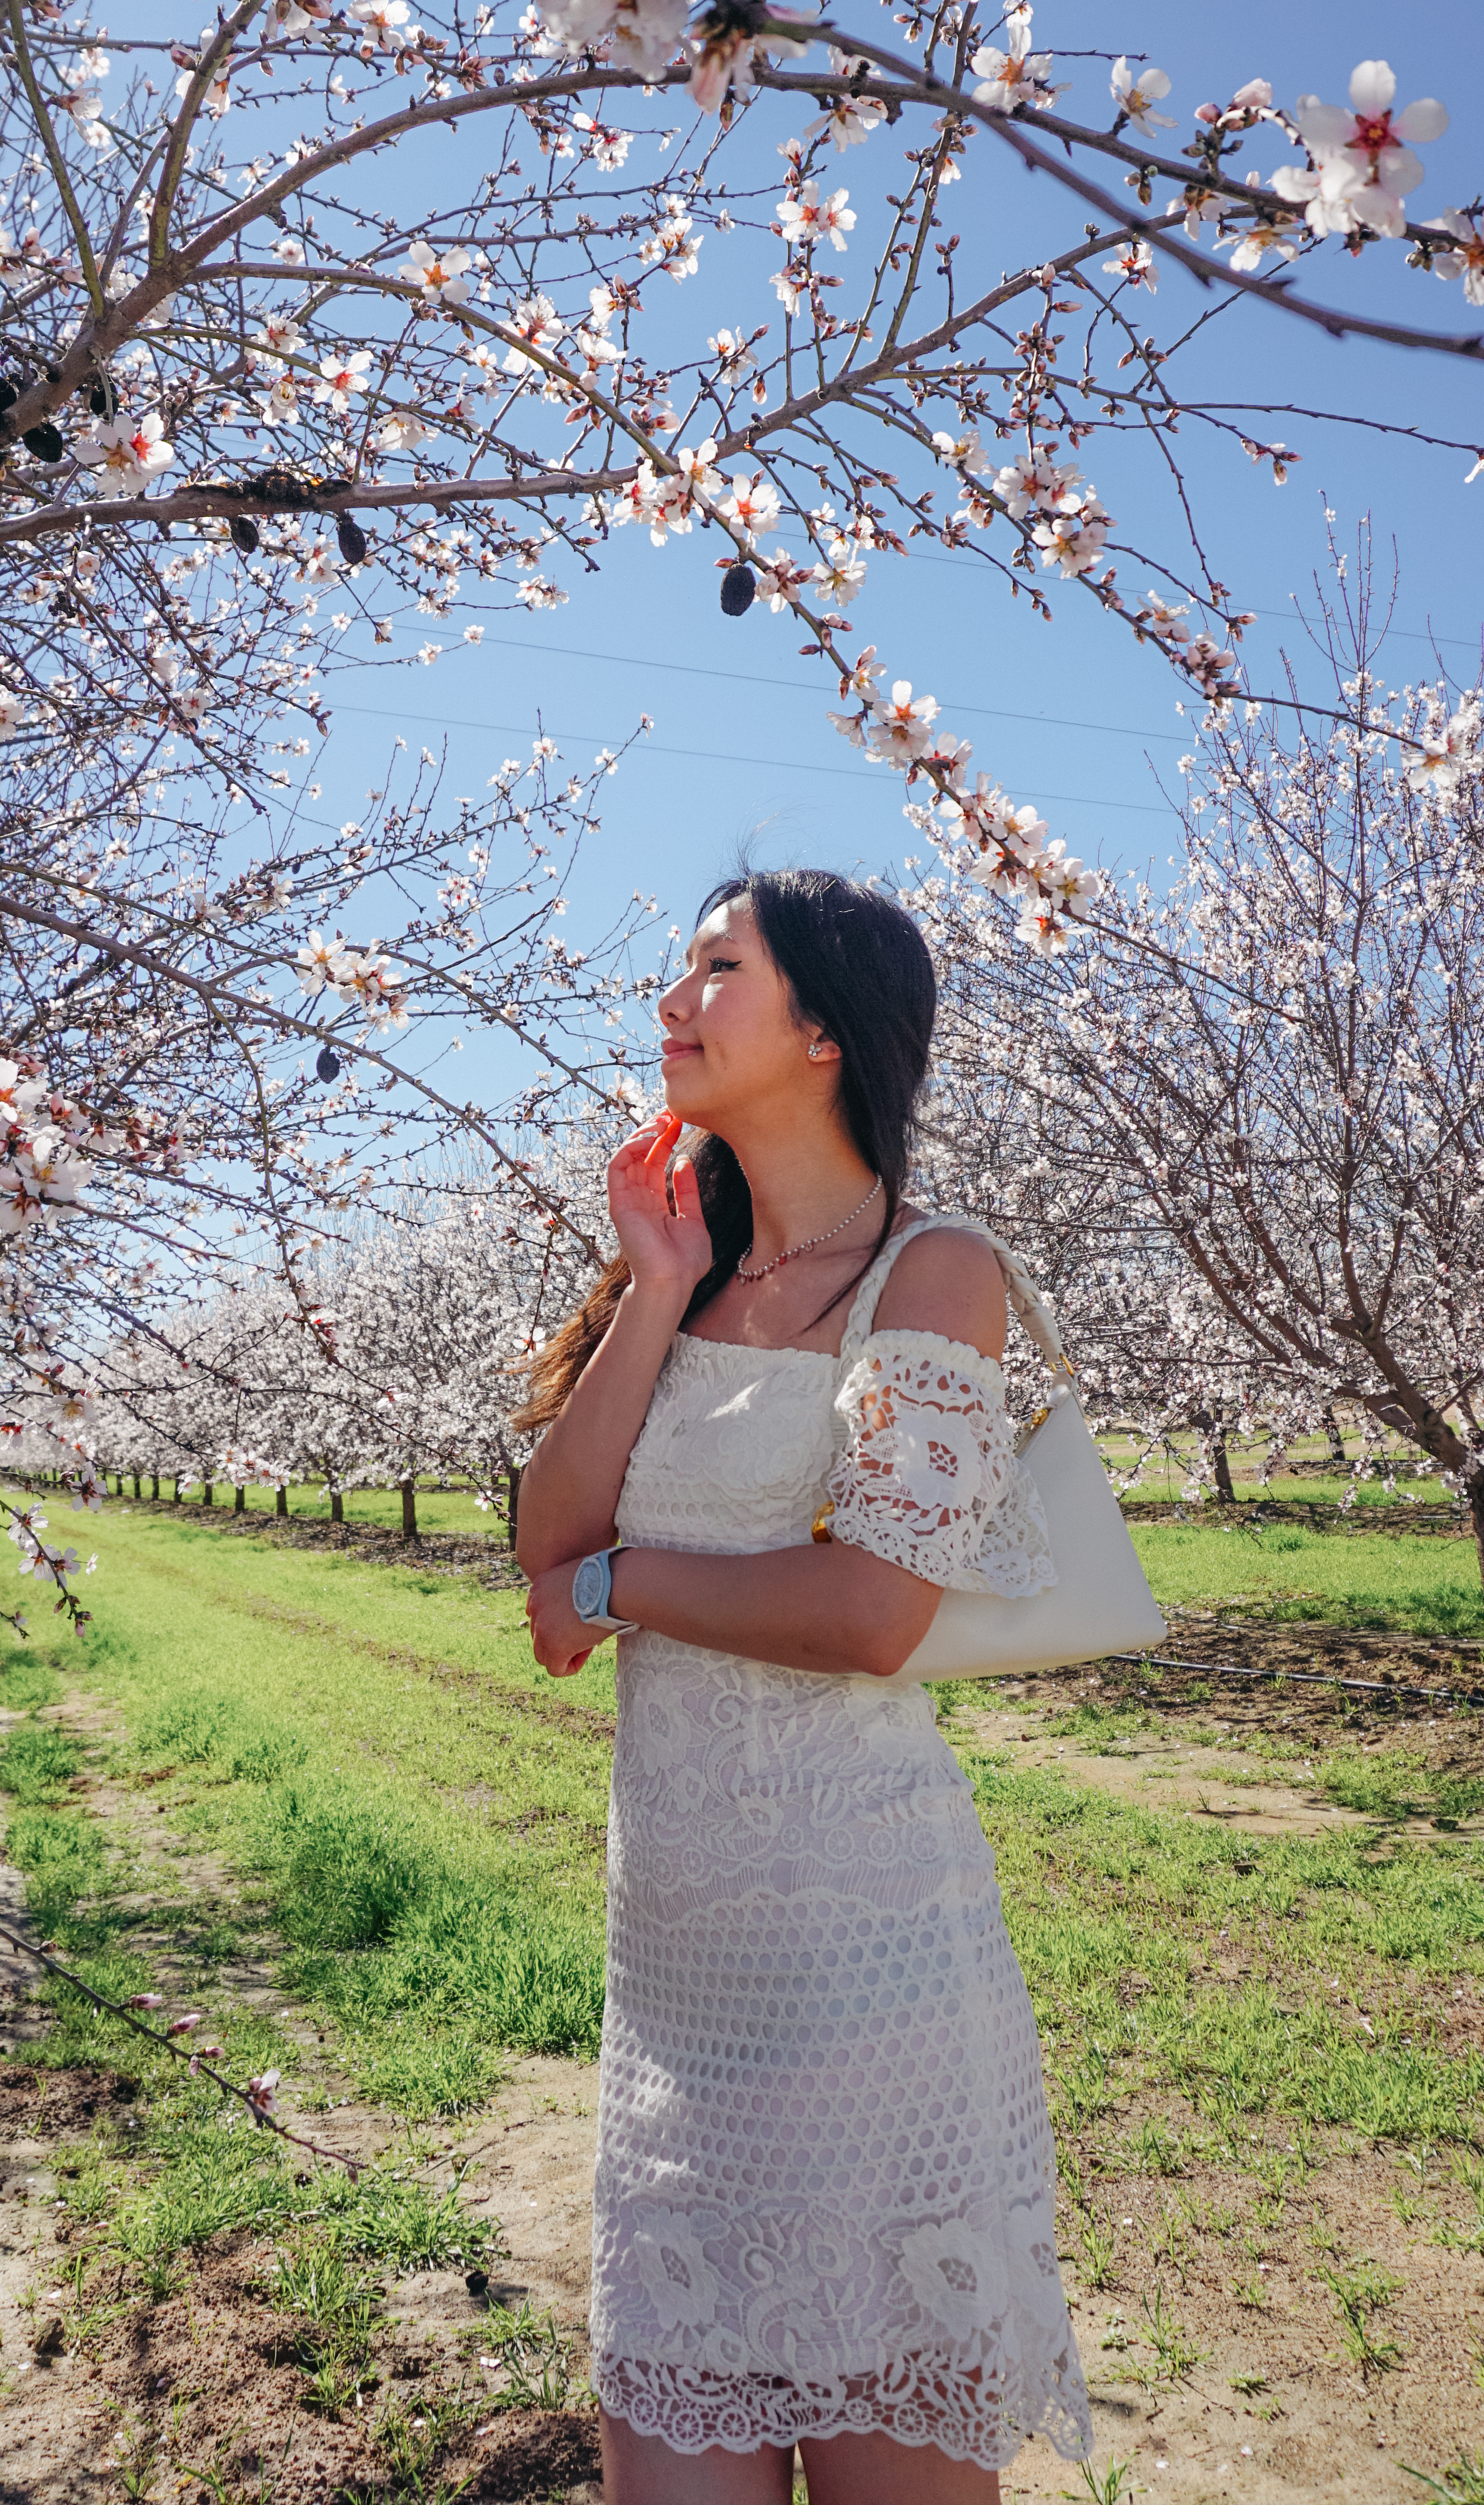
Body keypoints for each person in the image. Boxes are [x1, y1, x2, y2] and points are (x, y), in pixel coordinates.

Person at [515, 868, 1091, 2503]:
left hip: (870, 1998)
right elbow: (540, 1537)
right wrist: (644, 1289)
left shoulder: (934, 1274)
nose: (673, 1000)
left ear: (827, 1027)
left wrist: (622, 1589)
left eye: (717, 967)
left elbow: (872, 1608)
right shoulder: (680, 1275)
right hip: (678, 2010)